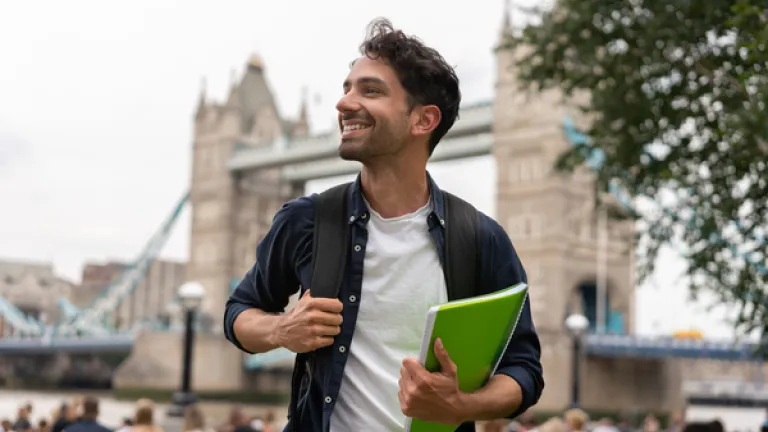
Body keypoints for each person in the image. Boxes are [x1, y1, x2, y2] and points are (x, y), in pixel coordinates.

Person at [224, 17, 544, 432]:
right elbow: (239, 312)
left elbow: (524, 369)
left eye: (370, 90)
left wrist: (462, 405)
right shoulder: (306, 221)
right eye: (347, 89)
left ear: (423, 120)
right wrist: (280, 329)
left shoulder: (481, 238)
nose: (344, 103)